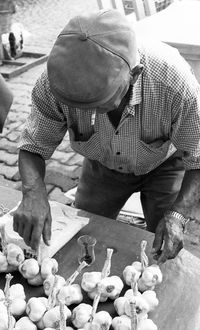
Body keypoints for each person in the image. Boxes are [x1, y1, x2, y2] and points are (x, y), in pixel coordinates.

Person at [13, 9, 200, 263]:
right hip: (102, 165)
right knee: (82, 237)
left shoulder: (175, 84)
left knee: (165, 248)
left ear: (134, 75)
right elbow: (33, 145)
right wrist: (33, 191)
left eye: (100, 104)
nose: (87, 115)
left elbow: (198, 158)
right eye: (78, 106)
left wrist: (179, 214)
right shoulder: (57, 81)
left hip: (164, 164)